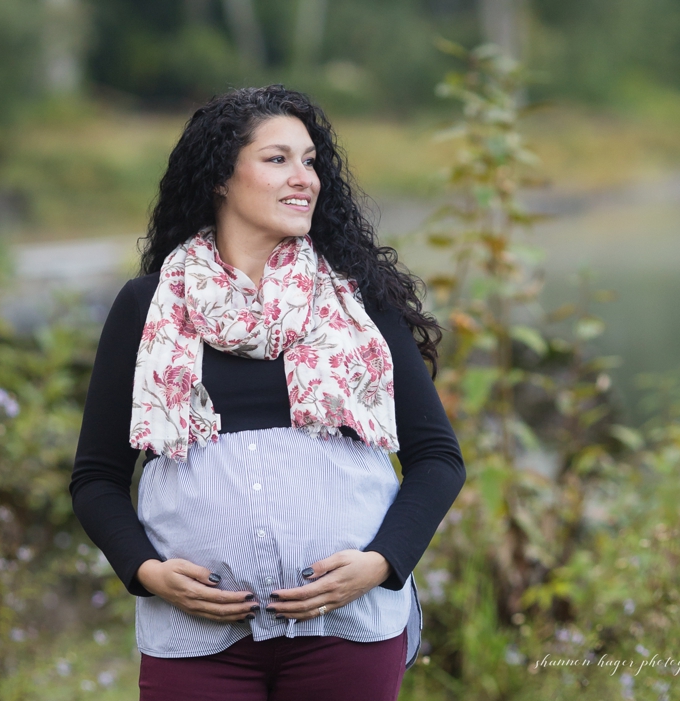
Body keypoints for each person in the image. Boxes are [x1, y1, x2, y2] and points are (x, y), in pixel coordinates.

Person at [69, 85, 465, 700]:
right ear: (220, 177)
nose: (304, 177)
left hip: (348, 633)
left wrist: (383, 563)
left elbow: (437, 459)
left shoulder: (357, 301)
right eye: (277, 159)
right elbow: (96, 477)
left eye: (310, 161)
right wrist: (146, 572)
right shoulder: (146, 309)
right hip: (196, 640)